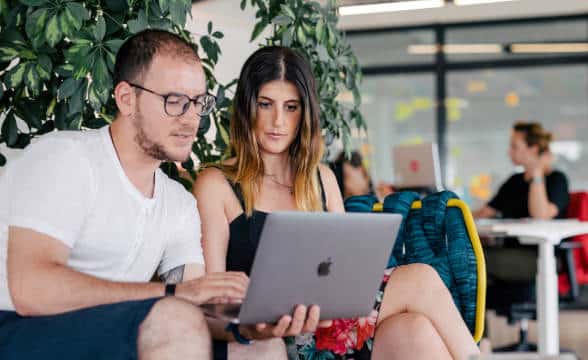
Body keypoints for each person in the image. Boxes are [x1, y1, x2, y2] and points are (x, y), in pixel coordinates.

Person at [193, 46, 480, 360]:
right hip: (269, 331)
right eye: (266, 104)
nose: (278, 120)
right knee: (421, 279)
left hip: (333, 322)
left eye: (291, 107)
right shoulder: (216, 184)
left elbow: (348, 269)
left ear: (306, 113)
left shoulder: (322, 179)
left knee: (414, 329)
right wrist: (252, 325)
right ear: (248, 107)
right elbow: (211, 303)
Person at [0, 29, 258, 359]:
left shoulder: (178, 203)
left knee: (260, 349)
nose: (192, 119)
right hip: (17, 329)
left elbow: (196, 301)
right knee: (174, 318)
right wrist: (171, 293)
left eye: (198, 103)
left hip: (103, 331)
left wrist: (247, 327)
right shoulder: (66, 159)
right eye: (175, 101)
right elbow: (32, 290)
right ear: (126, 99)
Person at [475, 121, 569, 221]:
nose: (508, 152)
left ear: (533, 149)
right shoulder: (514, 180)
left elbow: (541, 216)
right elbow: (485, 212)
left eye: (514, 147)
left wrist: (537, 171)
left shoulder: (557, 179)